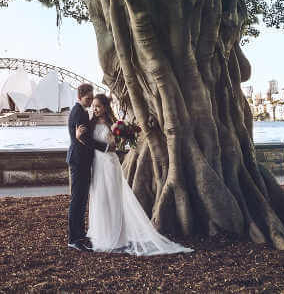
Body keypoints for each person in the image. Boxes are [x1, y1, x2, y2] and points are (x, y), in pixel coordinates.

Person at [81, 93, 193, 256]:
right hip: (97, 164)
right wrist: (80, 137)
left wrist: (118, 141)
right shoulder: (90, 124)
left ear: (105, 108)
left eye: (98, 106)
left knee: (114, 198)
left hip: (110, 164)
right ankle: (101, 236)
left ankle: (117, 237)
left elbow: (116, 146)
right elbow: (88, 143)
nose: (95, 109)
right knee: (100, 198)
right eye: (94, 106)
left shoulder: (113, 124)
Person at [66, 82, 111, 251]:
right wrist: (105, 147)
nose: (90, 101)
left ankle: (79, 235)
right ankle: (74, 238)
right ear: (79, 97)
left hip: (81, 161)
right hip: (79, 161)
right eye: (88, 98)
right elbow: (84, 138)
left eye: (92, 98)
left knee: (81, 198)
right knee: (77, 200)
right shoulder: (79, 113)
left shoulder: (82, 112)